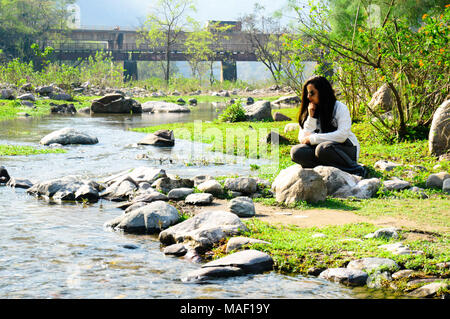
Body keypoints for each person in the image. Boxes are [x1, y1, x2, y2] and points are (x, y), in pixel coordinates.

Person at [290, 76, 368, 178]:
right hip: (322, 152)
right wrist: (311, 117)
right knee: (296, 152)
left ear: (322, 92)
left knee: (323, 149)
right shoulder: (309, 110)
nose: (308, 97)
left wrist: (313, 138)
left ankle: (356, 169)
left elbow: (342, 136)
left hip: (345, 150)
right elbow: (303, 138)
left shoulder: (340, 108)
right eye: (307, 93)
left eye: (312, 93)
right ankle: (329, 168)